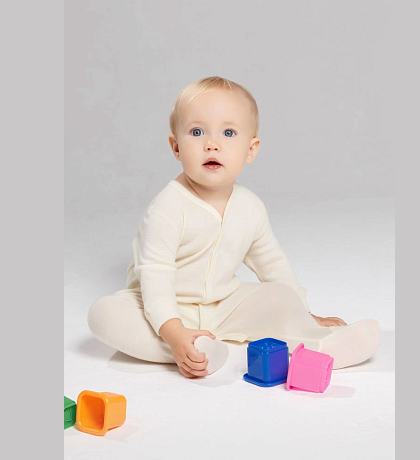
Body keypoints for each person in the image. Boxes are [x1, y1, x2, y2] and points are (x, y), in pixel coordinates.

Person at [88, 76, 380, 379]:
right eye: (197, 132)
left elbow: (272, 263)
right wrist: (172, 330)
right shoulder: (167, 208)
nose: (211, 144)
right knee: (104, 314)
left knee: (279, 295)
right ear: (176, 147)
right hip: (166, 307)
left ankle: (321, 342)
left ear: (250, 149)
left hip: (225, 306)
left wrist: (305, 314)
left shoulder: (250, 207)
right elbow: (155, 274)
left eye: (228, 133)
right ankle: (188, 348)